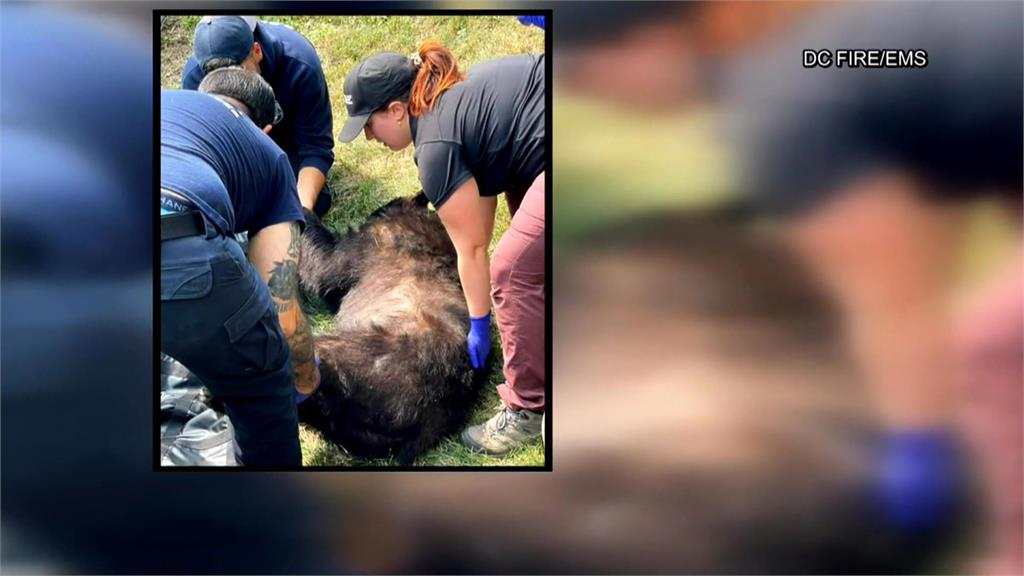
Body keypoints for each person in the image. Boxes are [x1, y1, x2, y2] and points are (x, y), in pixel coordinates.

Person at [338, 43, 545, 455]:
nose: (368, 136)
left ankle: (527, 409)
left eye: (369, 123)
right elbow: (480, 217)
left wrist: (480, 323)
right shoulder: (455, 101)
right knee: (528, 233)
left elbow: (472, 249)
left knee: (513, 271)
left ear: (397, 110)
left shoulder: (435, 148)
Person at [161, 67, 320, 466]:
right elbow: (280, 304)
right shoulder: (267, 154)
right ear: (264, 127)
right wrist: (303, 377)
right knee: (261, 389)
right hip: (179, 242)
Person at [181, 16, 335, 217]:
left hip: (287, 141)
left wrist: (301, 215)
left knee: (308, 201)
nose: (232, 89)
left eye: (241, 73)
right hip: (234, 147)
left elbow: (316, 147)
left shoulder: (300, 65)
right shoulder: (194, 78)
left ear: (257, 51)